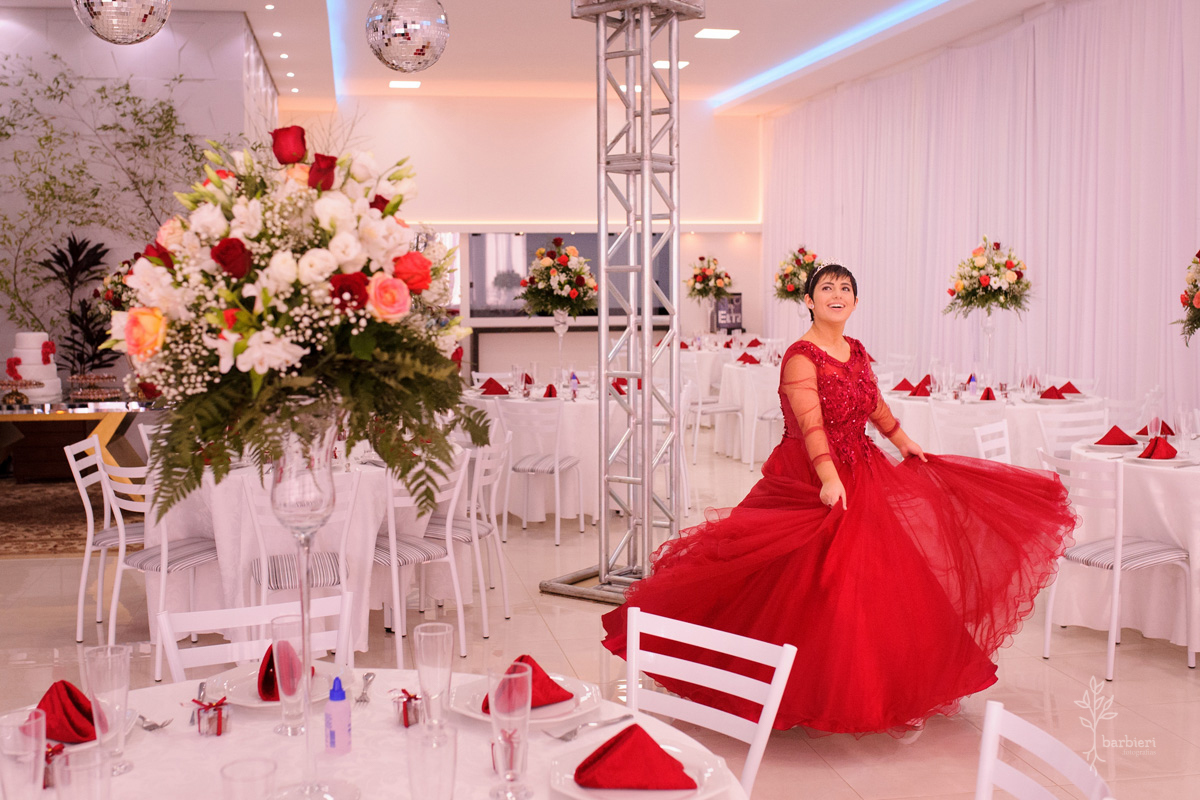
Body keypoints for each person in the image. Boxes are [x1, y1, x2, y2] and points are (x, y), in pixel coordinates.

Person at [601, 263, 1075, 737]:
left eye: (845, 288)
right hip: (809, 477)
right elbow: (811, 427)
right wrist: (828, 479)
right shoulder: (800, 357)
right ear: (809, 301)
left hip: (862, 471)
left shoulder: (856, 350)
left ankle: (871, 685)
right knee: (788, 580)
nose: (837, 294)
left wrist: (903, 440)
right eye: (827, 287)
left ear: (854, 301)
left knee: (869, 580)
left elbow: (874, 403)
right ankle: (759, 675)